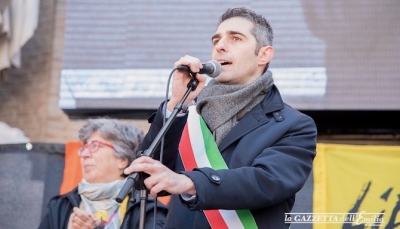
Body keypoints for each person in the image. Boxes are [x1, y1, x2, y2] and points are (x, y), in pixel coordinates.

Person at [124, 7, 317, 229]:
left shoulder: (294, 125)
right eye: (216, 40)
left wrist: (188, 182)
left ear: (264, 54)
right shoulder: (188, 113)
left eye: (235, 38)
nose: (220, 46)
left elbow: (267, 182)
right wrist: (177, 103)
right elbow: (147, 176)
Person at [38, 118, 168, 229]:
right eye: (84, 148)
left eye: (94, 146)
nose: (84, 154)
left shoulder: (149, 210)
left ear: (122, 160)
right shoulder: (59, 207)